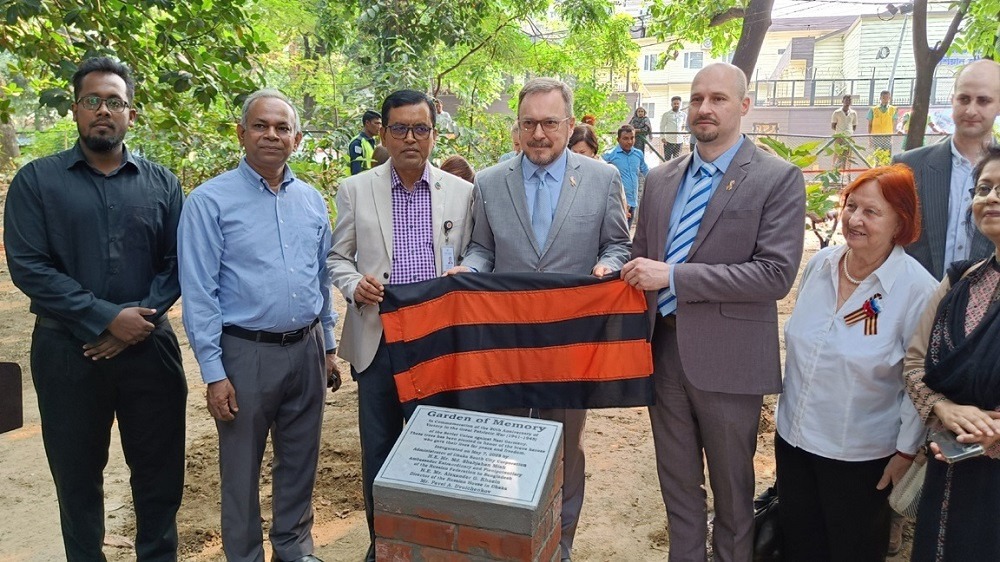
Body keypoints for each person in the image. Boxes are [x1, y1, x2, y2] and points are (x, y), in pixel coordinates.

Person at [3, 55, 186, 562]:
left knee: (159, 471)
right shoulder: (36, 183)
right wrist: (107, 318)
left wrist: (135, 322)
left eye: (114, 101)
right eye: (92, 100)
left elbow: (177, 263)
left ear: (132, 112)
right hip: (68, 352)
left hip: (150, 350)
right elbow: (30, 267)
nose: (103, 110)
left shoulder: (163, 184)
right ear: (75, 109)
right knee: (77, 475)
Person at [620, 62, 806, 562]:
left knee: (732, 497)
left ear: (744, 106)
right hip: (663, 353)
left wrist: (674, 277)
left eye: (719, 99)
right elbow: (640, 253)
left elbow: (774, 274)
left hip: (730, 362)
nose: (705, 108)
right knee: (677, 490)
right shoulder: (659, 180)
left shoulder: (777, 177)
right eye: (698, 97)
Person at [448, 77, 631, 562]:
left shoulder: (602, 179)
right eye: (529, 123)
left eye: (550, 123)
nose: (539, 134)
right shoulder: (489, 182)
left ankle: (559, 545)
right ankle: (508, 540)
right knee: (503, 441)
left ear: (569, 126)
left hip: (572, 345)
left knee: (564, 447)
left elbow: (617, 244)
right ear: (517, 129)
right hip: (504, 346)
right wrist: (469, 271)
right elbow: (482, 248)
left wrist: (607, 268)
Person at [178, 89, 340, 562]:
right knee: (241, 469)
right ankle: (245, 555)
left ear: (297, 138)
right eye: (261, 126)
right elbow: (199, 292)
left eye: (282, 127)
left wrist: (328, 346)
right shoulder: (209, 202)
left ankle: (294, 548)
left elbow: (321, 278)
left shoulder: (311, 201)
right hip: (244, 354)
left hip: (307, 348)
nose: (272, 135)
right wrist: (213, 371)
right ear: (241, 133)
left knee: (300, 459)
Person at [327, 89, 474, 562]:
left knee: (440, 449)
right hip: (378, 340)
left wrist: (466, 270)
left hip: (440, 343)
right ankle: (384, 545)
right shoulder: (356, 188)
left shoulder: (464, 193)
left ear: (434, 133)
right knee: (381, 449)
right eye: (399, 129)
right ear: (383, 134)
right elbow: (337, 257)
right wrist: (353, 286)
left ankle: (435, 544)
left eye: (420, 128)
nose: (410, 138)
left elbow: (476, 254)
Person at [775, 165, 937, 561]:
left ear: (901, 222)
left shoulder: (918, 290)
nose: (854, 219)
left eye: (871, 212)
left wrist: (904, 453)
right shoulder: (821, 265)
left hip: (862, 458)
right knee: (798, 546)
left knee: (853, 549)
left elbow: (920, 379)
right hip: (794, 441)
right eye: (851, 206)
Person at [902, 147, 1000, 561]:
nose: (991, 197)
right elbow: (915, 364)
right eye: (985, 187)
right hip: (951, 469)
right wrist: (942, 408)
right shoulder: (960, 281)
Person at [895, 59, 1000, 279]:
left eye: (983, 101)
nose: (971, 110)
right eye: (964, 99)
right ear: (952, 100)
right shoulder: (908, 167)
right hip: (916, 305)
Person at [603, 124, 648, 227]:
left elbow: (645, 170)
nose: (629, 141)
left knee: (627, 233)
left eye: (632, 138)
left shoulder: (638, 154)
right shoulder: (610, 155)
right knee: (617, 233)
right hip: (617, 203)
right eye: (625, 138)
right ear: (618, 139)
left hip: (633, 202)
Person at [349, 110, 381, 175]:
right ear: (367, 123)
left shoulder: (372, 142)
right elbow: (356, 170)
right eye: (376, 123)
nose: (379, 127)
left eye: (380, 124)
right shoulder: (357, 143)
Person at [832, 94, 858, 169]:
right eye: (846, 100)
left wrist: (849, 132)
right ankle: (835, 169)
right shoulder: (837, 112)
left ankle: (846, 172)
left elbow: (854, 125)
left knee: (848, 154)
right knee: (837, 153)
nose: (848, 102)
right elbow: (833, 125)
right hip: (839, 136)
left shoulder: (853, 113)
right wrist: (840, 132)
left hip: (849, 137)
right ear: (842, 101)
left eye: (849, 100)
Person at [868, 90, 897, 154]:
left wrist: (892, 136)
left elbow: (894, 124)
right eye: (883, 97)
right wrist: (870, 138)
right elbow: (870, 124)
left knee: (887, 156)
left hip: (888, 136)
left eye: (887, 97)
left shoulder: (893, 109)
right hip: (876, 136)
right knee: (878, 155)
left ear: (889, 98)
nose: (885, 99)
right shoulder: (873, 109)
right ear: (880, 98)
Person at [660, 96, 687, 160]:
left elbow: (684, 126)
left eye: (678, 104)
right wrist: (662, 137)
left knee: (677, 160)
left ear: (680, 104)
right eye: (674, 104)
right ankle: (667, 170)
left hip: (679, 141)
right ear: (671, 104)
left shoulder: (684, 115)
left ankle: (675, 170)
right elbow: (662, 126)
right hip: (668, 141)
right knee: (667, 159)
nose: (676, 105)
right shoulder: (666, 114)